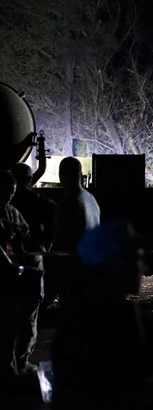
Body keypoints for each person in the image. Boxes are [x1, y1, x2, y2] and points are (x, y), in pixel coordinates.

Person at [51, 221, 153, 409]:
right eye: (135, 257)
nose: (142, 267)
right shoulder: (141, 330)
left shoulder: (74, 328)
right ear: (115, 264)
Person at [0, 170, 44, 380]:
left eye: (12, 192)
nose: (9, 196)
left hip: (13, 275)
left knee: (15, 323)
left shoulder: (11, 212)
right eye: (6, 191)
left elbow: (26, 236)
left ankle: (16, 364)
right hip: (5, 274)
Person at [51, 157, 100, 314]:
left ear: (61, 175)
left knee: (73, 318)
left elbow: (60, 240)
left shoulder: (68, 203)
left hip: (73, 271)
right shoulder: (91, 200)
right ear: (80, 174)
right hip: (91, 268)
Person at [10, 163, 55, 251]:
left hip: (12, 249)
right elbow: (55, 214)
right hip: (35, 247)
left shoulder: (7, 199)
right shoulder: (38, 199)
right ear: (30, 179)